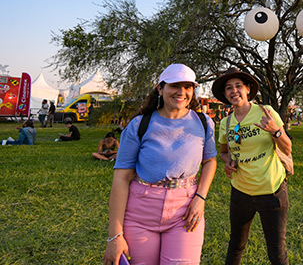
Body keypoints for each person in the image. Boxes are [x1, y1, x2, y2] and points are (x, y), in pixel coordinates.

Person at [103, 64, 217, 265]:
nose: (181, 92)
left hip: (185, 213)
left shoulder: (204, 122)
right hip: (140, 214)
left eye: (188, 87)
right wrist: (115, 236)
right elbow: (121, 178)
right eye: (175, 85)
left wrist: (201, 197)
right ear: (160, 88)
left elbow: (210, 161)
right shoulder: (139, 125)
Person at [212, 67, 292, 265]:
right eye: (229, 88)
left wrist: (275, 131)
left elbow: (288, 148)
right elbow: (223, 152)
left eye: (238, 86)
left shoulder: (266, 112)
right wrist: (227, 163)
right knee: (236, 246)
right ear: (225, 94)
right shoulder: (225, 123)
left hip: (272, 192)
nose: (234, 91)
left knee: (277, 253)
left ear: (248, 89)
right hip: (240, 193)